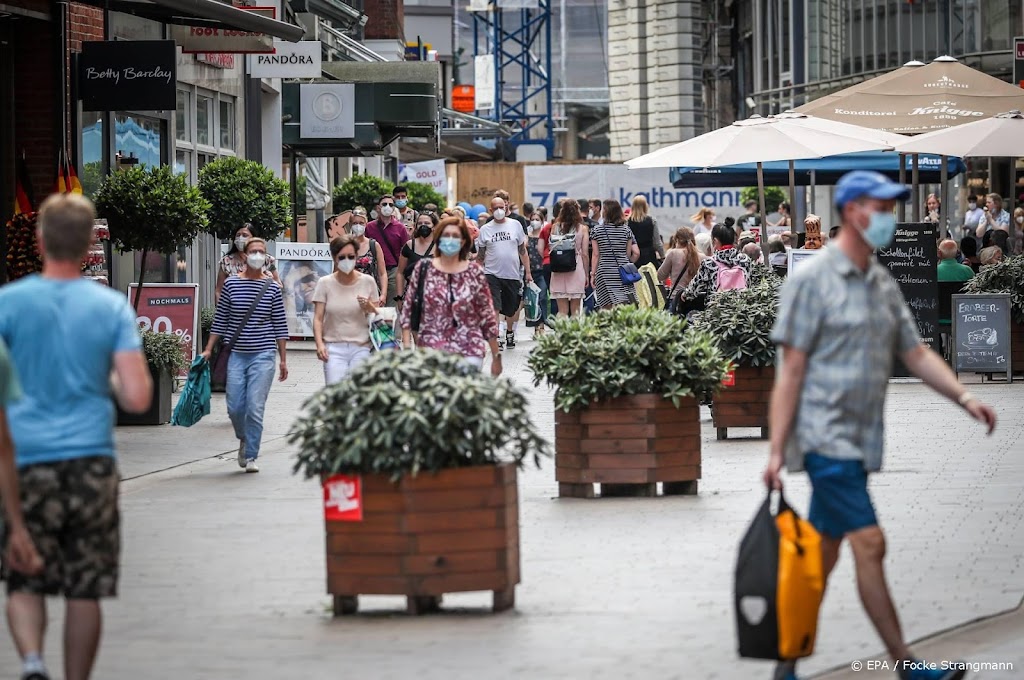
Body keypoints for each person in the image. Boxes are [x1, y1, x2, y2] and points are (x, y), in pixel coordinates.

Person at [763, 170, 997, 680]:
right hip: (826, 438)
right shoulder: (810, 279)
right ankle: (907, 666)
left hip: (861, 439)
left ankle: (786, 665)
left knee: (823, 556)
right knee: (871, 543)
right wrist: (777, 450)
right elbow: (791, 369)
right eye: (883, 208)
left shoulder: (879, 280)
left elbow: (913, 352)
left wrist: (964, 396)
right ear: (853, 212)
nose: (891, 218)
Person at [0, 193, 151, 680]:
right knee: (86, 589)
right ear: (89, 245)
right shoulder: (109, 309)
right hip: (90, 462)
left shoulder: (7, 305)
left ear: (41, 240)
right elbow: (136, 397)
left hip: (25, 462)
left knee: (24, 575)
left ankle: (31, 661)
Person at [202, 237, 289, 474]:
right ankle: (244, 436)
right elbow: (221, 319)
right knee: (234, 406)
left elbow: (280, 324)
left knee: (255, 406)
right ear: (245, 255)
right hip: (237, 354)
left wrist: (283, 358)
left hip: (263, 355)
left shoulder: (271, 286)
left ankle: (251, 454)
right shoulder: (231, 284)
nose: (257, 255)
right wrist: (209, 348)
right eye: (254, 251)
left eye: (261, 252)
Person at [400, 216, 502, 374]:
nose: (450, 240)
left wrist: (496, 356)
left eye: (456, 236)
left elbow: (486, 315)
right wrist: (407, 349)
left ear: (463, 242)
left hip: (469, 350)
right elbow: (408, 311)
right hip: (432, 350)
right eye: (446, 236)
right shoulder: (423, 269)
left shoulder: (474, 272)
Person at [312, 235, 379, 385]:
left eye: (351, 256)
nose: (347, 261)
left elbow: (378, 316)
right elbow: (318, 317)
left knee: (357, 395)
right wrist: (319, 344)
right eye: (342, 257)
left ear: (357, 256)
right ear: (334, 258)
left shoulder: (368, 282)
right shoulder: (325, 283)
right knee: (336, 395)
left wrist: (369, 307)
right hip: (333, 348)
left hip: (361, 348)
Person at [476, 195, 532, 349]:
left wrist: (528, 272)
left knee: (511, 307)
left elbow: (523, 250)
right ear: (490, 210)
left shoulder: (515, 225)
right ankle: (497, 337)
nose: (499, 210)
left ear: (506, 207)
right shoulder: (485, 229)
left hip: (512, 274)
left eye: (502, 207)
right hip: (491, 273)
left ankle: (509, 332)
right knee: (495, 306)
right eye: (496, 208)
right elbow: (480, 255)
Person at [681, 223, 752, 302]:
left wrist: (685, 294)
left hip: (717, 309)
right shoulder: (745, 260)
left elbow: (694, 288)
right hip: (742, 306)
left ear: (715, 241)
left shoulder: (709, 263)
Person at [590, 199, 640, 310]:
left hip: (604, 271)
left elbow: (596, 255)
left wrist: (593, 274)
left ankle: (608, 326)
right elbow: (634, 253)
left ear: (605, 212)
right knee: (623, 304)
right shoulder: (626, 230)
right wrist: (627, 261)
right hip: (623, 270)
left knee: (606, 305)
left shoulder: (596, 231)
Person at [216, 223, 281, 301]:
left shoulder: (267, 260)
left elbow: (279, 286)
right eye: (238, 235)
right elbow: (219, 291)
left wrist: (270, 280)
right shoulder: (226, 262)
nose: (240, 238)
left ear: (253, 238)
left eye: (245, 235)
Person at [365, 194, 410, 307]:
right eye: (384, 204)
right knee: (372, 305)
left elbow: (406, 251)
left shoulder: (401, 228)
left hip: (393, 271)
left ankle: (389, 325)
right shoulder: (369, 227)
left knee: (390, 307)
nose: (387, 207)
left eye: (390, 204)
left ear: (394, 208)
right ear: (378, 207)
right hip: (373, 272)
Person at [549, 199, 590, 319]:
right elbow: (585, 254)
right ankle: (574, 336)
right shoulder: (582, 229)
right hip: (576, 268)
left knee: (562, 310)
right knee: (576, 309)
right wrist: (586, 274)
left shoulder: (555, 227)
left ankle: (561, 334)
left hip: (558, 269)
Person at [348, 206, 388, 308]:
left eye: (361, 223)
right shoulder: (344, 245)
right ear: (350, 225)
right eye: (355, 223)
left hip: (371, 295)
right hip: (348, 293)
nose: (358, 226)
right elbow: (336, 271)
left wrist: (383, 294)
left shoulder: (373, 245)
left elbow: (382, 273)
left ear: (366, 224)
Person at [397, 211, 438, 305]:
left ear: (434, 226)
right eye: (420, 223)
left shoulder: (440, 247)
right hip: (411, 296)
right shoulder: (409, 245)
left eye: (427, 223)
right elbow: (400, 273)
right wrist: (399, 297)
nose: (423, 226)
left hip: (434, 296)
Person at [658, 226, 701, 305]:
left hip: (676, 300)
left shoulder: (673, 253)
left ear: (677, 240)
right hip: (696, 301)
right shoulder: (702, 257)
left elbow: (660, 276)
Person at [525, 212, 549, 336]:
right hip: (530, 271)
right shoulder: (526, 238)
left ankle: (542, 325)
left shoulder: (544, 236)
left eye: (537, 219)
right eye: (532, 219)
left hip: (542, 270)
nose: (535, 221)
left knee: (542, 297)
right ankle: (535, 326)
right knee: (532, 300)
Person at [627, 195, 662, 267]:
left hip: (633, 257)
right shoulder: (652, 221)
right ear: (645, 206)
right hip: (649, 257)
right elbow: (657, 243)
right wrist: (663, 256)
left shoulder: (627, 222)